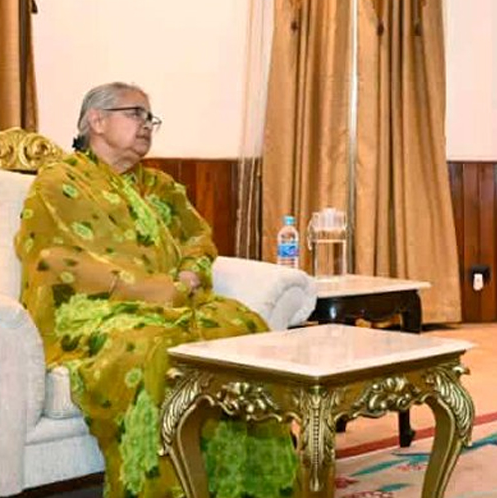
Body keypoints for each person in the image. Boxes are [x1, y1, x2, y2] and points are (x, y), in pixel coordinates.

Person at [16, 82, 297, 497]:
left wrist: (189, 276)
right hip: (93, 311)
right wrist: (152, 291)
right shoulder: (59, 182)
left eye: (151, 118)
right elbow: (54, 259)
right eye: (136, 114)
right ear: (97, 120)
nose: (147, 125)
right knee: (156, 347)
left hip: (175, 302)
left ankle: (244, 487)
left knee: (242, 327)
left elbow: (198, 240)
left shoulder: (159, 186)